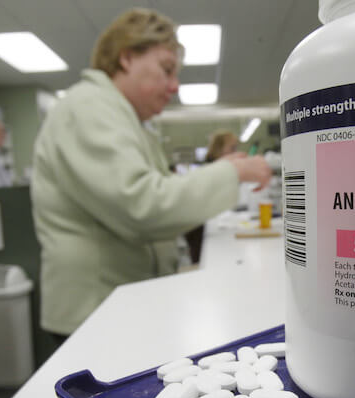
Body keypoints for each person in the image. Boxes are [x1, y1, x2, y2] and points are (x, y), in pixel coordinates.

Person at [31, 8, 271, 340]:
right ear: (127, 57)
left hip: (117, 306)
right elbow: (144, 206)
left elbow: (159, 191)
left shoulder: (126, 119)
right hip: (95, 316)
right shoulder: (88, 107)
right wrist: (231, 172)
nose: (174, 86)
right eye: (166, 69)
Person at [185, 130, 241, 263]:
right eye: (232, 148)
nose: (235, 153)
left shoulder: (215, 169)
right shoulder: (210, 171)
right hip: (199, 232)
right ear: (219, 149)